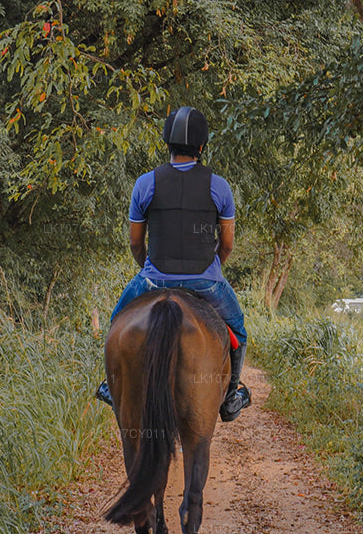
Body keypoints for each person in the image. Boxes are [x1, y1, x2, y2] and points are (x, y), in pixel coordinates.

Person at [95, 106, 251, 421]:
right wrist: (212, 269)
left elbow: (136, 243)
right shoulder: (219, 186)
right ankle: (231, 396)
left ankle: (112, 388)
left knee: (116, 322)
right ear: (202, 147)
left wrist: (149, 269)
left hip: (154, 279)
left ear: (167, 144)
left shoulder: (145, 183)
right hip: (206, 281)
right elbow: (228, 243)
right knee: (238, 330)